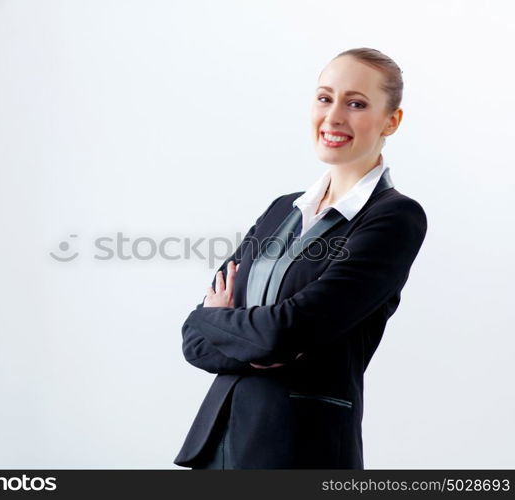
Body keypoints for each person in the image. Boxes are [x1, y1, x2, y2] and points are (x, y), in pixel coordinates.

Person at [173, 48, 428, 469]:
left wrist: (222, 321)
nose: (334, 117)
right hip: (217, 445)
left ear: (391, 121)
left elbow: (288, 330)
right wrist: (231, 329)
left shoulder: (394, 218)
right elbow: (195, 340)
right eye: (325, 98)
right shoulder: (282, 209)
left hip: (299, 449)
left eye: (357, 103)